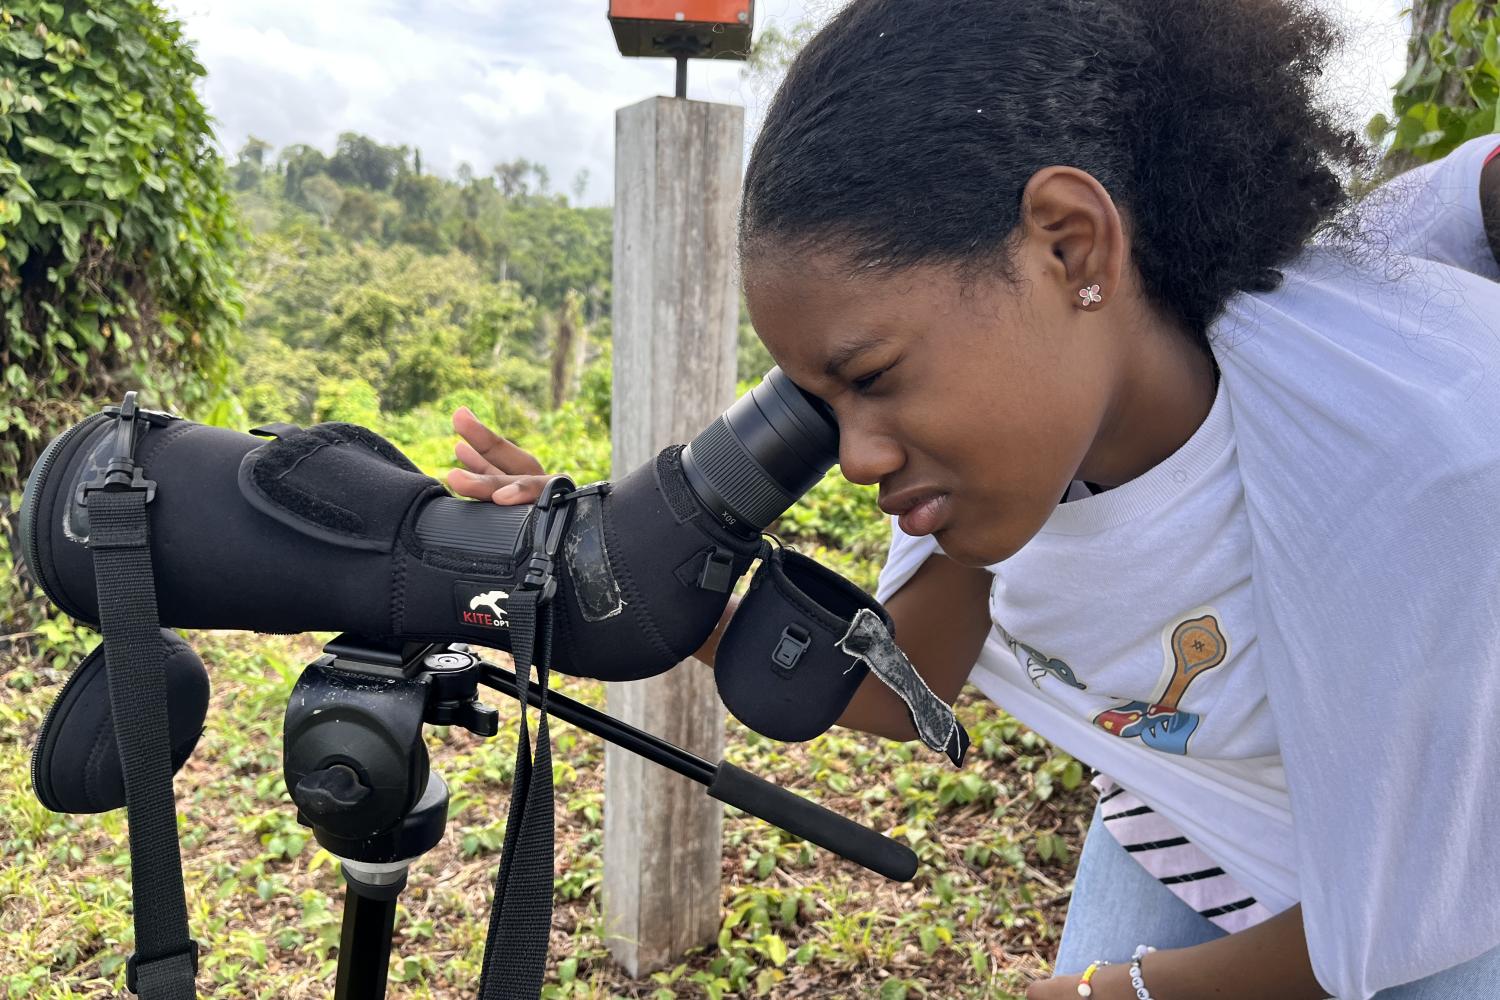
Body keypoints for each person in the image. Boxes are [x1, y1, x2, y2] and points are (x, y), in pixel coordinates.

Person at [449, 1, 1500, 996]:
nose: (855, 461)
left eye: (870, 376)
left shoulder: (1411, 472)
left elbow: (1396, 922)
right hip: (1185, 822)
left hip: (1435, 877)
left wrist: (1126, 985)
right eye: (818, 403)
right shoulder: (1008, 453)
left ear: (1068, 246)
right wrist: (634, 572)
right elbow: (905, 682)